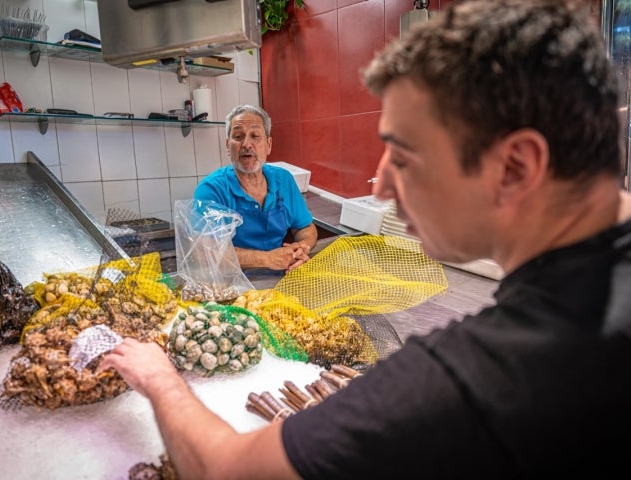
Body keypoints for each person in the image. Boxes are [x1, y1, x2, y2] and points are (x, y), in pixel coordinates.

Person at [99, 0, 631, 477]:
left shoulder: (472, 377)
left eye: (404, 152)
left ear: (517, 166)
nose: (385, 183)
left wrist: (159, 376)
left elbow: (225, 468)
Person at [193, 104, 318, 272]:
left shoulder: (283, 180)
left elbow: (305, 227)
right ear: (228, 145)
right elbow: (205, 251)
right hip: (232, 284)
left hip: (283, 277)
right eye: (238, 136)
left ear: (268, 145)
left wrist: (301, 248)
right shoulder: (212, 190)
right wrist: (267, 259)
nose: (246, 144)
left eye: (255, 136)